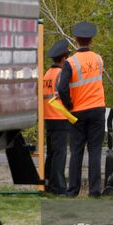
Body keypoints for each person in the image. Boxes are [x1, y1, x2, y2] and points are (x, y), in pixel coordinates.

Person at [57, 21, 107, 197]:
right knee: (95, 151)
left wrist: (68, 104)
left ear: (75, 39)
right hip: (98, 109)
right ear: (91, 41)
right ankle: (94, 191)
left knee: (76, 151)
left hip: (77, 111)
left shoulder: (70, 62)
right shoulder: (99, 59)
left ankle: (73, 191)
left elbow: (62, 88)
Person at [41, 40, 74, 194]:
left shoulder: (47, 74)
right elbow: (66, 93)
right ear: (63, 59)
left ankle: (47, 183)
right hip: (60, 117)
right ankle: (59, 187)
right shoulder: (61, 74)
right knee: (59, 154)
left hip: (48, 118)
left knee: (52, 153)